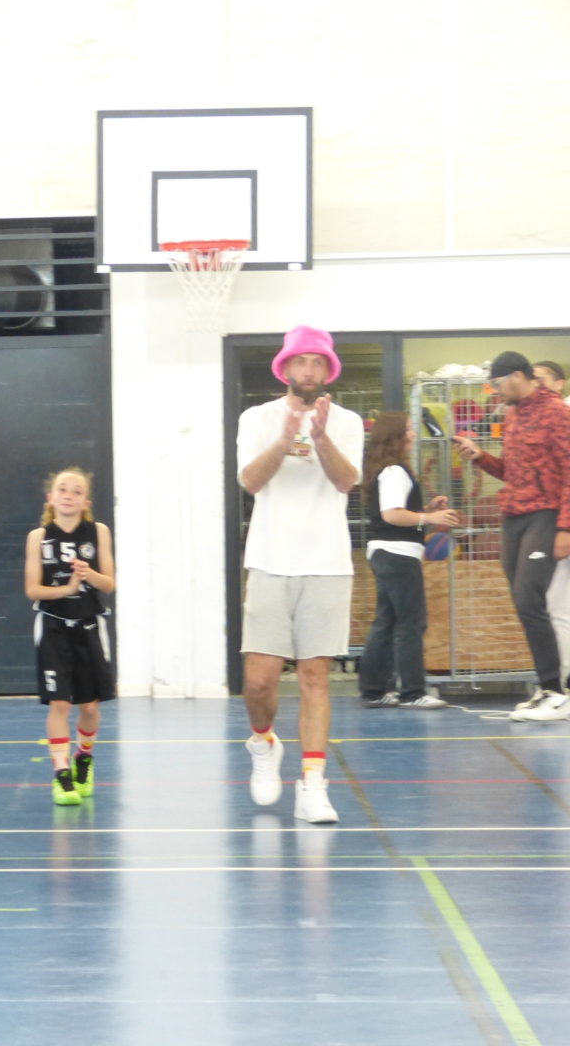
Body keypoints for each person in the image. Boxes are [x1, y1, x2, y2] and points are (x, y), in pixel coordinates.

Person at [237, 325, 364, 825]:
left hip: (327, 563)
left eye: (318, 363)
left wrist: (321, 437)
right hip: (269, 560)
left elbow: (347, 481)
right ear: (285, 367)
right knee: (259, 680)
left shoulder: (347, 421)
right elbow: (250, 480)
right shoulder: (257, 418)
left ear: (328, 371)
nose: (309, 370)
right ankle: (263, 742)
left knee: (315, 677)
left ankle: (313, 785)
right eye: (301, 361)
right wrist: (287, 437)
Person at [453, 351, 570, 721]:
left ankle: (556, 692)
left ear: (518, 376)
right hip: (514, 517)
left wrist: (566, 527)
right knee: (523, 604)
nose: (495, 391)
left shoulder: (557, 413)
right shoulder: (514, 415)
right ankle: (547, 688)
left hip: (545, 515)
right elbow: (512, 472)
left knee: (530, 598)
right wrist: (479, 457)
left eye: (498, 384)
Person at [23, 467, 115, 805]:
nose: (69, 495)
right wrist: (66, 589)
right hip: (53, 625)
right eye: (63, 489)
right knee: (60, 702)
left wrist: (89, 575)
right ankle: (61, 775)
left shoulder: (98, 532)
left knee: (89, 705)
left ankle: (83, 758)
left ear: (85, 502)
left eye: (77, 491)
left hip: (89, 624)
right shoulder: (38, 537)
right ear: (51, 497)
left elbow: (109, 584)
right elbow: (32, 590)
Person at [357, 414, 461, 709]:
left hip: (387, 553)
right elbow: (392, 514)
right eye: (409, 429)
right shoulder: (395, 471)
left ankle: (374, 689)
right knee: (411, 622)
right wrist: (430, 516)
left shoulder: (386, 470)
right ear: (396, 436)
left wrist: (425, 509)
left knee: (387, 621)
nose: (413, 433)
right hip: (398, 555)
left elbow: (396, 513)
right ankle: (412, 692)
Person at [532, 361, 570, 690]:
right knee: (558, 606)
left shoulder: (560, 414)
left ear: (560, 383)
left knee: (558, 608)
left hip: (563, 525)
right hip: (557, 523)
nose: (536, 385)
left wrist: (564, 529)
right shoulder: (539, 418)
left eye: (541, 379)